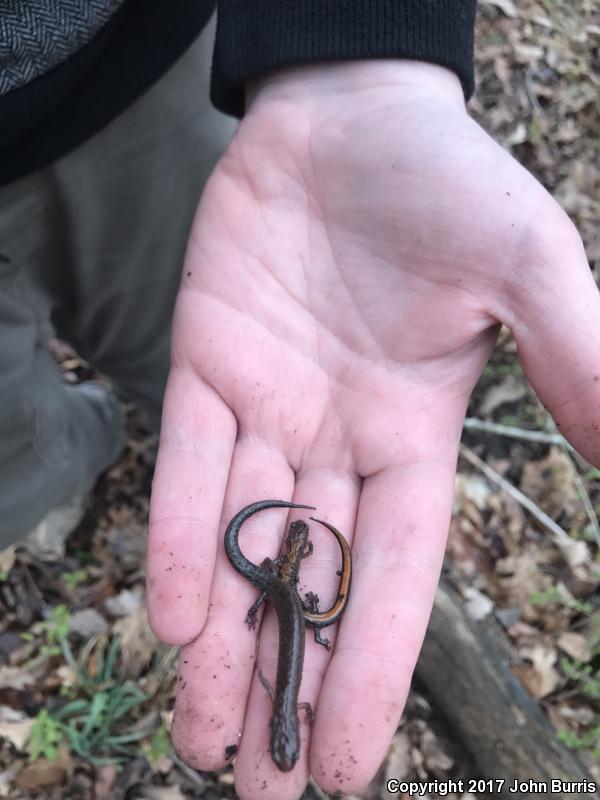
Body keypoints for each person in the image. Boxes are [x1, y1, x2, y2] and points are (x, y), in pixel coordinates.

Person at [2, 3, 598, 800]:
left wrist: (362, 48)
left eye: (287, 739)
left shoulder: (295, 608)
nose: (288, 740)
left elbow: (293, 610)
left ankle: (113, 426)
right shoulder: (299, 610)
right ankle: (75, 456)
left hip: (128, 64)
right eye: (289, 740)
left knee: (199, 362)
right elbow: (296, 612)